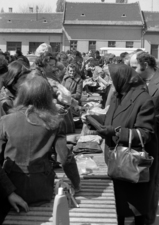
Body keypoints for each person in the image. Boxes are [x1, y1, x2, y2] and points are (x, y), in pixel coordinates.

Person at [0, 76, 80, 207]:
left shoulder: (5, 121)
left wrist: (8, 191)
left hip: (11, 189)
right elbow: (65, 158)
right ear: (47, 97)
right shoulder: (55, 121)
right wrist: (76, 183)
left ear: (22, 95)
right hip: (42, 189)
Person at [95, 63, 157, 225]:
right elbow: (113, 119)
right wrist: (95, 121)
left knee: (134, 210)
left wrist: (115, 132)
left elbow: (145, 134)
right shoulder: (119, 95)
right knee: (121, 208)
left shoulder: (143, 100)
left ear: (122, 79)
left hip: (132, 164)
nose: (110, 81)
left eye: (112, 78)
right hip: (118, 161)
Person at [130, 51, 159, 225]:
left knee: (152, 182)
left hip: (155, 140)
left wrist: (146, 118)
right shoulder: (136, 82)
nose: (131, 70)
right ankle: (137, 215)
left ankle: (147, 219)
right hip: (136, 139)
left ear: (145, 65)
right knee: (136, 180)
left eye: (134, 67)